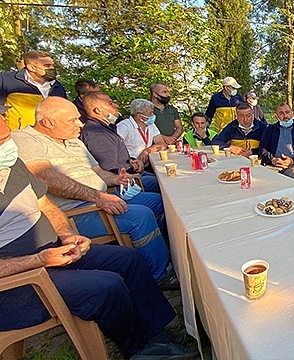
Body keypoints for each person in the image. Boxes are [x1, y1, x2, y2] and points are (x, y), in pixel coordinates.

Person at [0, 106, 196, 359]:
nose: (9, 142)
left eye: (6, 135)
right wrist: (39, 260)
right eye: (3, 141)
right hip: (19, 281)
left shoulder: (11, 165)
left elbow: (44, 204)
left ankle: (156, 333)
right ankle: (138, 349)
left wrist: (66, 234)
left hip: (53, 251)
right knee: (107, 285)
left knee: (129, 259)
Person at [11, 97, 173, 285]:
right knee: (141, 216)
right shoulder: (25, 139)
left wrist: (115, 179)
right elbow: (45, 177)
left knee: (158, 201)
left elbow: (97, 171)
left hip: (104, 197)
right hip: (76, 211)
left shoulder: (73, 141)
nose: (79, 123)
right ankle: (159, 275)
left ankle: (156, 252)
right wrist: (98, 197)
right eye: (72, 120)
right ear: (48, 122)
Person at [79, 92, 161, 193]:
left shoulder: (105, 128)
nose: (116, 106)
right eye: (110, 103)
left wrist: (131, 160)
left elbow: (116, 157)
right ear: (98, 110)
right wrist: (132, 166)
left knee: (163, 177)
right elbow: (109, 168)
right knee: (164, 184)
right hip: (122, 184)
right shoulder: (97, 134)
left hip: (132, 170)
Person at [0, 50, 67, 130]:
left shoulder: (57, 86)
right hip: (17, 136)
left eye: (53, 65)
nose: (52, 68)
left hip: (50, 136)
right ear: (31, 67)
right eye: (47, 65)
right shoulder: (6, 81)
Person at [259, 103, 294, 182]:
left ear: (292, 114)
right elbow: (262, 149)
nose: (285, 115)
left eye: (287, 112)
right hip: (272, 165)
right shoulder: (270, 129)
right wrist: (272, 159)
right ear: (276, 116)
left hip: (293, 165)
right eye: (281, 113)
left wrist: (292, 160)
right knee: (263, 180)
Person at [116, 99, 166, 167]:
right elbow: (115, 145)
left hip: (148, 165)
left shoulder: (151, 125)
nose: (153, 115)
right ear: (139, 116)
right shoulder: (124, 126)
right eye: (150, 113)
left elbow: (162, 144)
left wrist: (147, 151)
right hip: (131, 166)